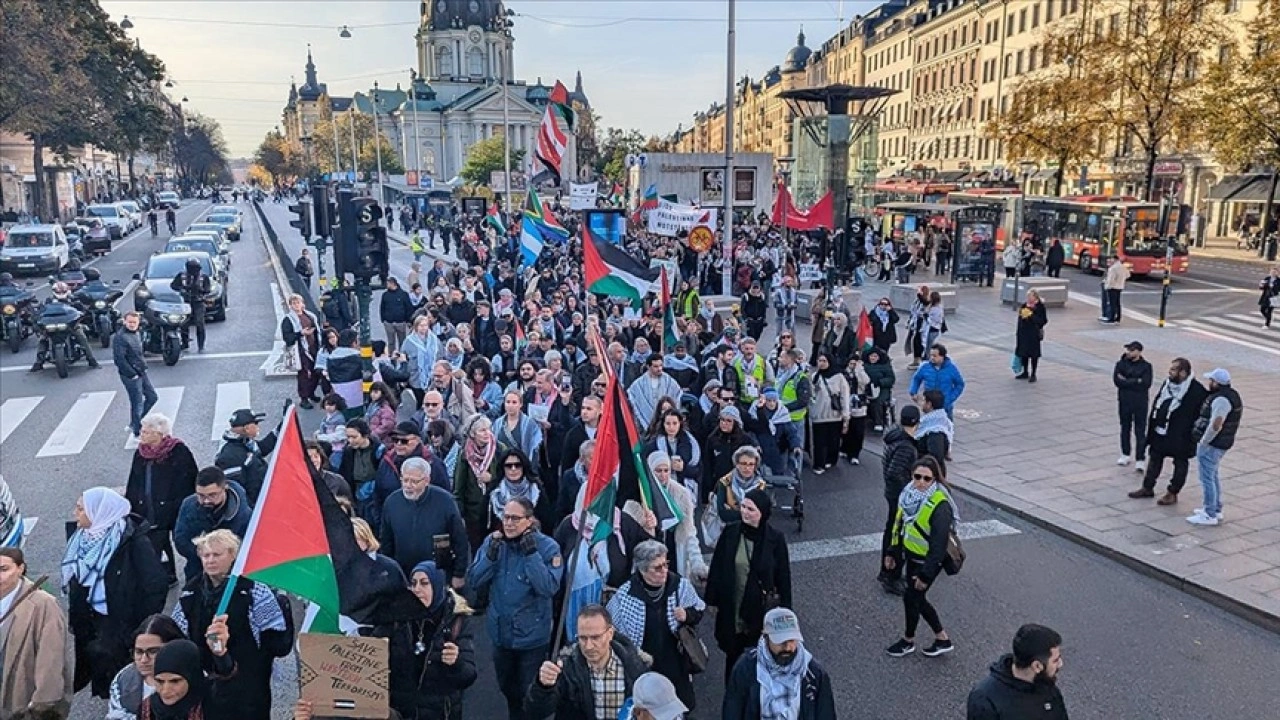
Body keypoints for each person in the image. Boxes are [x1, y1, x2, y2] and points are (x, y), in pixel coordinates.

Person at [172, 530, 291, 720]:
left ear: (232, 555)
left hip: (249, 684)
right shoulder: (191, 593)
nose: (210, 560)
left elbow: (275, 637)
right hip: (207, 682)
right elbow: (177, 633)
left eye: (217, 555)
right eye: (205, 555)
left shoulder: (254, 590)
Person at [64, 488, 168, 698]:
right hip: (92, 622)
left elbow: (155, 584)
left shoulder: (132, 541)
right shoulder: (81, 538)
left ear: (98, 512)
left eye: (81, 509)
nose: (76, 513)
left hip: (120, 624)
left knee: (125, 680)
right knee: (102, 672)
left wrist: (140, 624)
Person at [467, 497, 563, 720]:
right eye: (505, 517)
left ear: (529, 521)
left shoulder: (547, 547)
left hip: (531, 638)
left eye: (515, 518)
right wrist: (489, 556)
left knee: (529, 694)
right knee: (508, 690)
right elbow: (474, 580)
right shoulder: (494, 542)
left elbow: (548, 587)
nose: (508, 523)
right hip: (501, 635)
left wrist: (531, 556)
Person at [371, 561, 478, 720]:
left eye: (424, 583)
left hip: (439, 712)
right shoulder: (397, 618)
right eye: (413, 584)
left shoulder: (456, 621)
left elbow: (468, 676)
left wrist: (456, 663)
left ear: (437, 586)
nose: (417, 590)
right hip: (403, 711)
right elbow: (372, 652)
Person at [607, 540, 705, 712]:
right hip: (644, 667)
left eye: (665, 564)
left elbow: (698, 610)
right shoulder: (625, 595)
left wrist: (687, 615)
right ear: (643, 570)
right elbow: (615, 631)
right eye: (657, 567)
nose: (664, 571)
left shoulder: (679, 585)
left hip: (675, 663)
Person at [706, 489, 792, 681]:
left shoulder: (775, 539)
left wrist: (786, 614)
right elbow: (717, 566)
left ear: (762, 513)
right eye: (743, 507)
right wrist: (711, 599)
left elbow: (783, 578)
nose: (745, 512)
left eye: (751, 509)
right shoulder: (730, 532)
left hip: (759, 611)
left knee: (760, 658)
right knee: (733, 658)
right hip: (733, 605)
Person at [884, 457, 956, 658]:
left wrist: (926, 575)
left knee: (912, 597)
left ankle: (910, 640)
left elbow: (938, 546)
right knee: (914, 598)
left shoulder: (940, 505)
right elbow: (899, 524)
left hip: (926, 562)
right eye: (917, 477)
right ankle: (941, 639)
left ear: (935, 480)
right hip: (912, 556)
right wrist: (892, 551)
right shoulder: (907, 494)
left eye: (927, 479)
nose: (921, 482)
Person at [525, 605, 651, 720]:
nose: (588, 646)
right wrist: (543, 686)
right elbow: (536, 712)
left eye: (595, 637)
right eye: (583, 638)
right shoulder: (566, 668)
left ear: (610, 634)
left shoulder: (635, 667)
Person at [722, 607, 837, 720]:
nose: (787, 647)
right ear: (766, 637)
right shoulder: (746, 668)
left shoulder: (814, 674)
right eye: (781, 642)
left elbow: (825, 714)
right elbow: (733, 710)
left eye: (792, 641)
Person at [125, 412, 199, 585]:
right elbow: (134, 481)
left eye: (145, 432)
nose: (141, 435)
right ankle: (167, 575)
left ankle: (197, 573)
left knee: (184, 542)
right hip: (148, 508)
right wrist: (131, 504)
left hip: (174, 508)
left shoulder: (178, 451)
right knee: (157, 543)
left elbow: (189, 480)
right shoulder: (141, 453)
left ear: (159, 434)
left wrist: (178, 505)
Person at [0, 547, 72, 719]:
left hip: (22, 705)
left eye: (4, 569)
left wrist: (42, 704)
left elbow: (51, 659)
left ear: (20, 568)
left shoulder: (43, 605)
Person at [380, 456, 471, 584]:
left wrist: (459, 573)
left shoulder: (445, 502)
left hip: (438, 575)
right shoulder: (392, 502)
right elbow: (386, 542)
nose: (408, 486)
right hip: (404, 574)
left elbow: (460, 540)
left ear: (427, 480)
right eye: (405, 480)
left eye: (414, 481)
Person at [1129, 358, 1208, 505]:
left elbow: (1201, 415)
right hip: (1160, 432)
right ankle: (1147, 487)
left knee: (1180, 464)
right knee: (1154, 459)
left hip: (1180, 437)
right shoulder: (1168, 384)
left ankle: (1173, 492)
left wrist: (1193, 435)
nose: (1169, 372)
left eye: (1173, 370)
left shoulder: (1197, 391)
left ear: (1183, 373)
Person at [967, 624, 1069, 720]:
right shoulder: (985, 700)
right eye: (1055, 660)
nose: (1061, 664)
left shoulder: (1047, 687)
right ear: (1037, 666)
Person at [173, 467, 252, 584]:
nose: (206, 501)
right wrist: (204, 554)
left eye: (212, 495)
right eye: (200, 495)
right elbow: (180, 539)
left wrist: (222, 557)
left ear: (225, 488)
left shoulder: (243, 514)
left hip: (233, 572)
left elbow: (249, 544)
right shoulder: (188, 505)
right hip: (197, 570)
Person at [1188, 368, 1243, 527]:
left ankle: (1209, 513)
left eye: (1211, 381)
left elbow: (1216, 424)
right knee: (1213, 475)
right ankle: (1216, 508)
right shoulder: (1232, 395)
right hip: (1222, 442)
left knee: (1207, 478)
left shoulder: (1221, 400)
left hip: (1213, 444)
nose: (1209, 383)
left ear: (1216, 383)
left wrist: (1204, 441)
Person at [106, 614, 186, 720]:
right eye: (139, 652)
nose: (144, 660)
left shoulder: (196, 678)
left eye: (153, 651)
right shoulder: (124, 679)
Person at [144, 638, 234, 720]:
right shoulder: (148, 709)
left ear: (191, 679)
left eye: (175, 681)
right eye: (160, 681)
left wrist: (221, 656)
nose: (165, 690)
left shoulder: (211, 702)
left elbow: (226, 682)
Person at [214, 408, 278, 506]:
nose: (258, 427)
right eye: (255, 424)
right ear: (247, 428)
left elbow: (262, 448)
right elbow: (237, 491)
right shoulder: (230, 456)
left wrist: (281, 427)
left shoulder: (243, 441)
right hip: (254, 506)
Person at [114, 311, 159, 438]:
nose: (132, 324)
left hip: (140, 370)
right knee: (137, 403)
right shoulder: (121, 337)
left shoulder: (136, 332)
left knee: (152, 397)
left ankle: (135, 422)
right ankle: (137, 431)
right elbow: (119, 359)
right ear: (124, 321)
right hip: (131, 375)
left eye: (135, 322)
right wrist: (132, 374)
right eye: (130, 322)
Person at [808, 352, 852, 473]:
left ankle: (831, 460)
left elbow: (844, 396)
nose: (821, 364)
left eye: (824, 361)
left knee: (833, 440)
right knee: (819, 442)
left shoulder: (839, 377)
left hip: (834, 415)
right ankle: (819, 464)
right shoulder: (815, 376)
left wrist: (845, 415)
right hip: (818, 415)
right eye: (819, 361)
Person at [1114, 341, 1153, 472]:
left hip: (1140, 403)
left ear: (1139, 351)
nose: (1129, 352)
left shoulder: (1146, 366)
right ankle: (1125, 454)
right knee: (1125, 427)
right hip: (1124, 401)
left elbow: (1146, 383)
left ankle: (1140, 458)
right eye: (1128, 350)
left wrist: (1127, 381)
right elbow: (1117, 381)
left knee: (1140, 430)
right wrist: (1136, 381)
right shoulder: (1120, 364)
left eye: (1132, 350)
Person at [282, 293, 323, 408]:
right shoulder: (288, 320)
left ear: (302, 304)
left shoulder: (310, 316)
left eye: (298, 302)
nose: (296, 305)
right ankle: (303, 398)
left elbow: (317, 329)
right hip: (299, 349)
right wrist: (301, 333)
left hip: (313, 346)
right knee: (304, 374)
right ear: (290, 306)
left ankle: (311, 393)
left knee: (316, 371)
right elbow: (287, 337)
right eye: (293, 303)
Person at [711, 446, 768, 525]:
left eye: (751, 464)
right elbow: (723, 514)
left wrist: (734, 512)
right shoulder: (725, 482)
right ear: (737, 464)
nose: (747, 468)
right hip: (728, 528)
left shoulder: (761, 485)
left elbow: (764, 513)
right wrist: (751, 513)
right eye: (744, 464)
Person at [909, 343, 966, 420]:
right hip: (929, 405)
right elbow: (916, 379)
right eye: (931, 355)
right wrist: (913, 391)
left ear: (942, 356)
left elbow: (959, 384)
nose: (932, 358)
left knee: (946, 428)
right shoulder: (925, 366)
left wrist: (950, 398)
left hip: (945, 406)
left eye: (935, 356)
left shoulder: (951, 368)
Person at [627, 354, 683, 429]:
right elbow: (633, 396)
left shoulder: (669, 381)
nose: (659, 369)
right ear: (648, 366)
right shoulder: (639, 384)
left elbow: (677, 395)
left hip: (666, 424)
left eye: (661, 365)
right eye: (656, 366)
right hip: (645, 426)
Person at [170, 257, 210, 353]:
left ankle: (201, 346)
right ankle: (185, 343)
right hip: (185, 302)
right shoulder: (182, 276)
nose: (194, 270)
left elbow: (208, 289)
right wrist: (182, 289)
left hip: (198, 302)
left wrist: (200, 290)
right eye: (191, 268)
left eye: (196, 268)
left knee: (199, 323)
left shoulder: (203, 277)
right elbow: (173, 285)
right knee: (184, 323)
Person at [1013, 289, 1048, 382]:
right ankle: (1025, 372)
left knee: (1033, 354)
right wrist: (1023, 317)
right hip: (1024, 333)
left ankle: (1033, 374)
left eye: (1030, 296)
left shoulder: (1040, 307)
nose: (1028, 298)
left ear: (1035, 297)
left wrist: (1031, 316)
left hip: (1033, 334)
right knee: (1024, 353)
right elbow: (1020, 318)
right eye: (1027, 296)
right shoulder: (1024, 305)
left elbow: (1043, 321)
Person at [382, 277, 416, 351]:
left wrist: (408, 320)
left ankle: (402, 356)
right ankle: (392, 358)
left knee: (402, 341)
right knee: (391, 342)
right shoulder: (385, 295)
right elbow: (382, 307)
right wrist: (383, 319)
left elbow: (408, 307)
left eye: (388, 283)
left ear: (393, 283)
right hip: (389, 323)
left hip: (401, 322)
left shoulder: (403, 294)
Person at [1100, 255, 1130, 324]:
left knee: (1112, 303)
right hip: (1120, 286)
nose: (1110, 261)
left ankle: (1111, 318)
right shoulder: (1122, 267)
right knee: (1117, 303)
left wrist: (1107, 286)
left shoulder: (1113, 268)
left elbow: (1111, 279)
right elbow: (1128, 275)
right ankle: (1118, 318)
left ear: (1114, 259)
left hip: (1112, 287)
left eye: (1111, 260)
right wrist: (1121, 279)